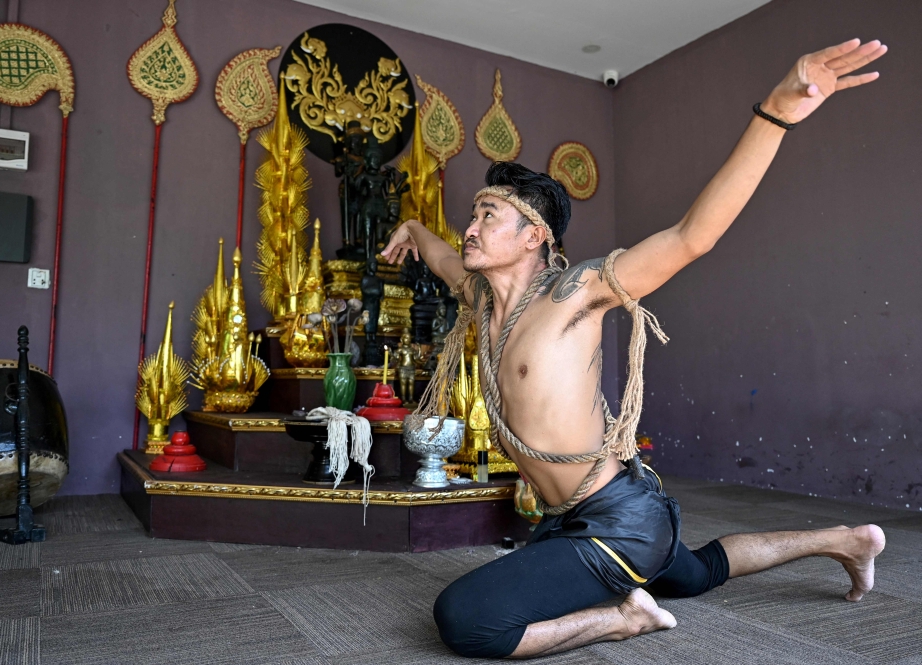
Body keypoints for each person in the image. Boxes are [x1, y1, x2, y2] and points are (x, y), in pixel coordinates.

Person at [381, 39, 888, 659]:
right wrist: (410, 228)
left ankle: (626, 618)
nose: (471, 228)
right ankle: (844, 539)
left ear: (533, 235)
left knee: (464, 619)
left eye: (488, 215)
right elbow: (437, 251)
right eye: (473, 216)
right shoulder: (480, 299)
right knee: (696, 573)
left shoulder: (577, 292)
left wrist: (776, 113)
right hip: (584, 517)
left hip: (618, 521)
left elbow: (691, 236)